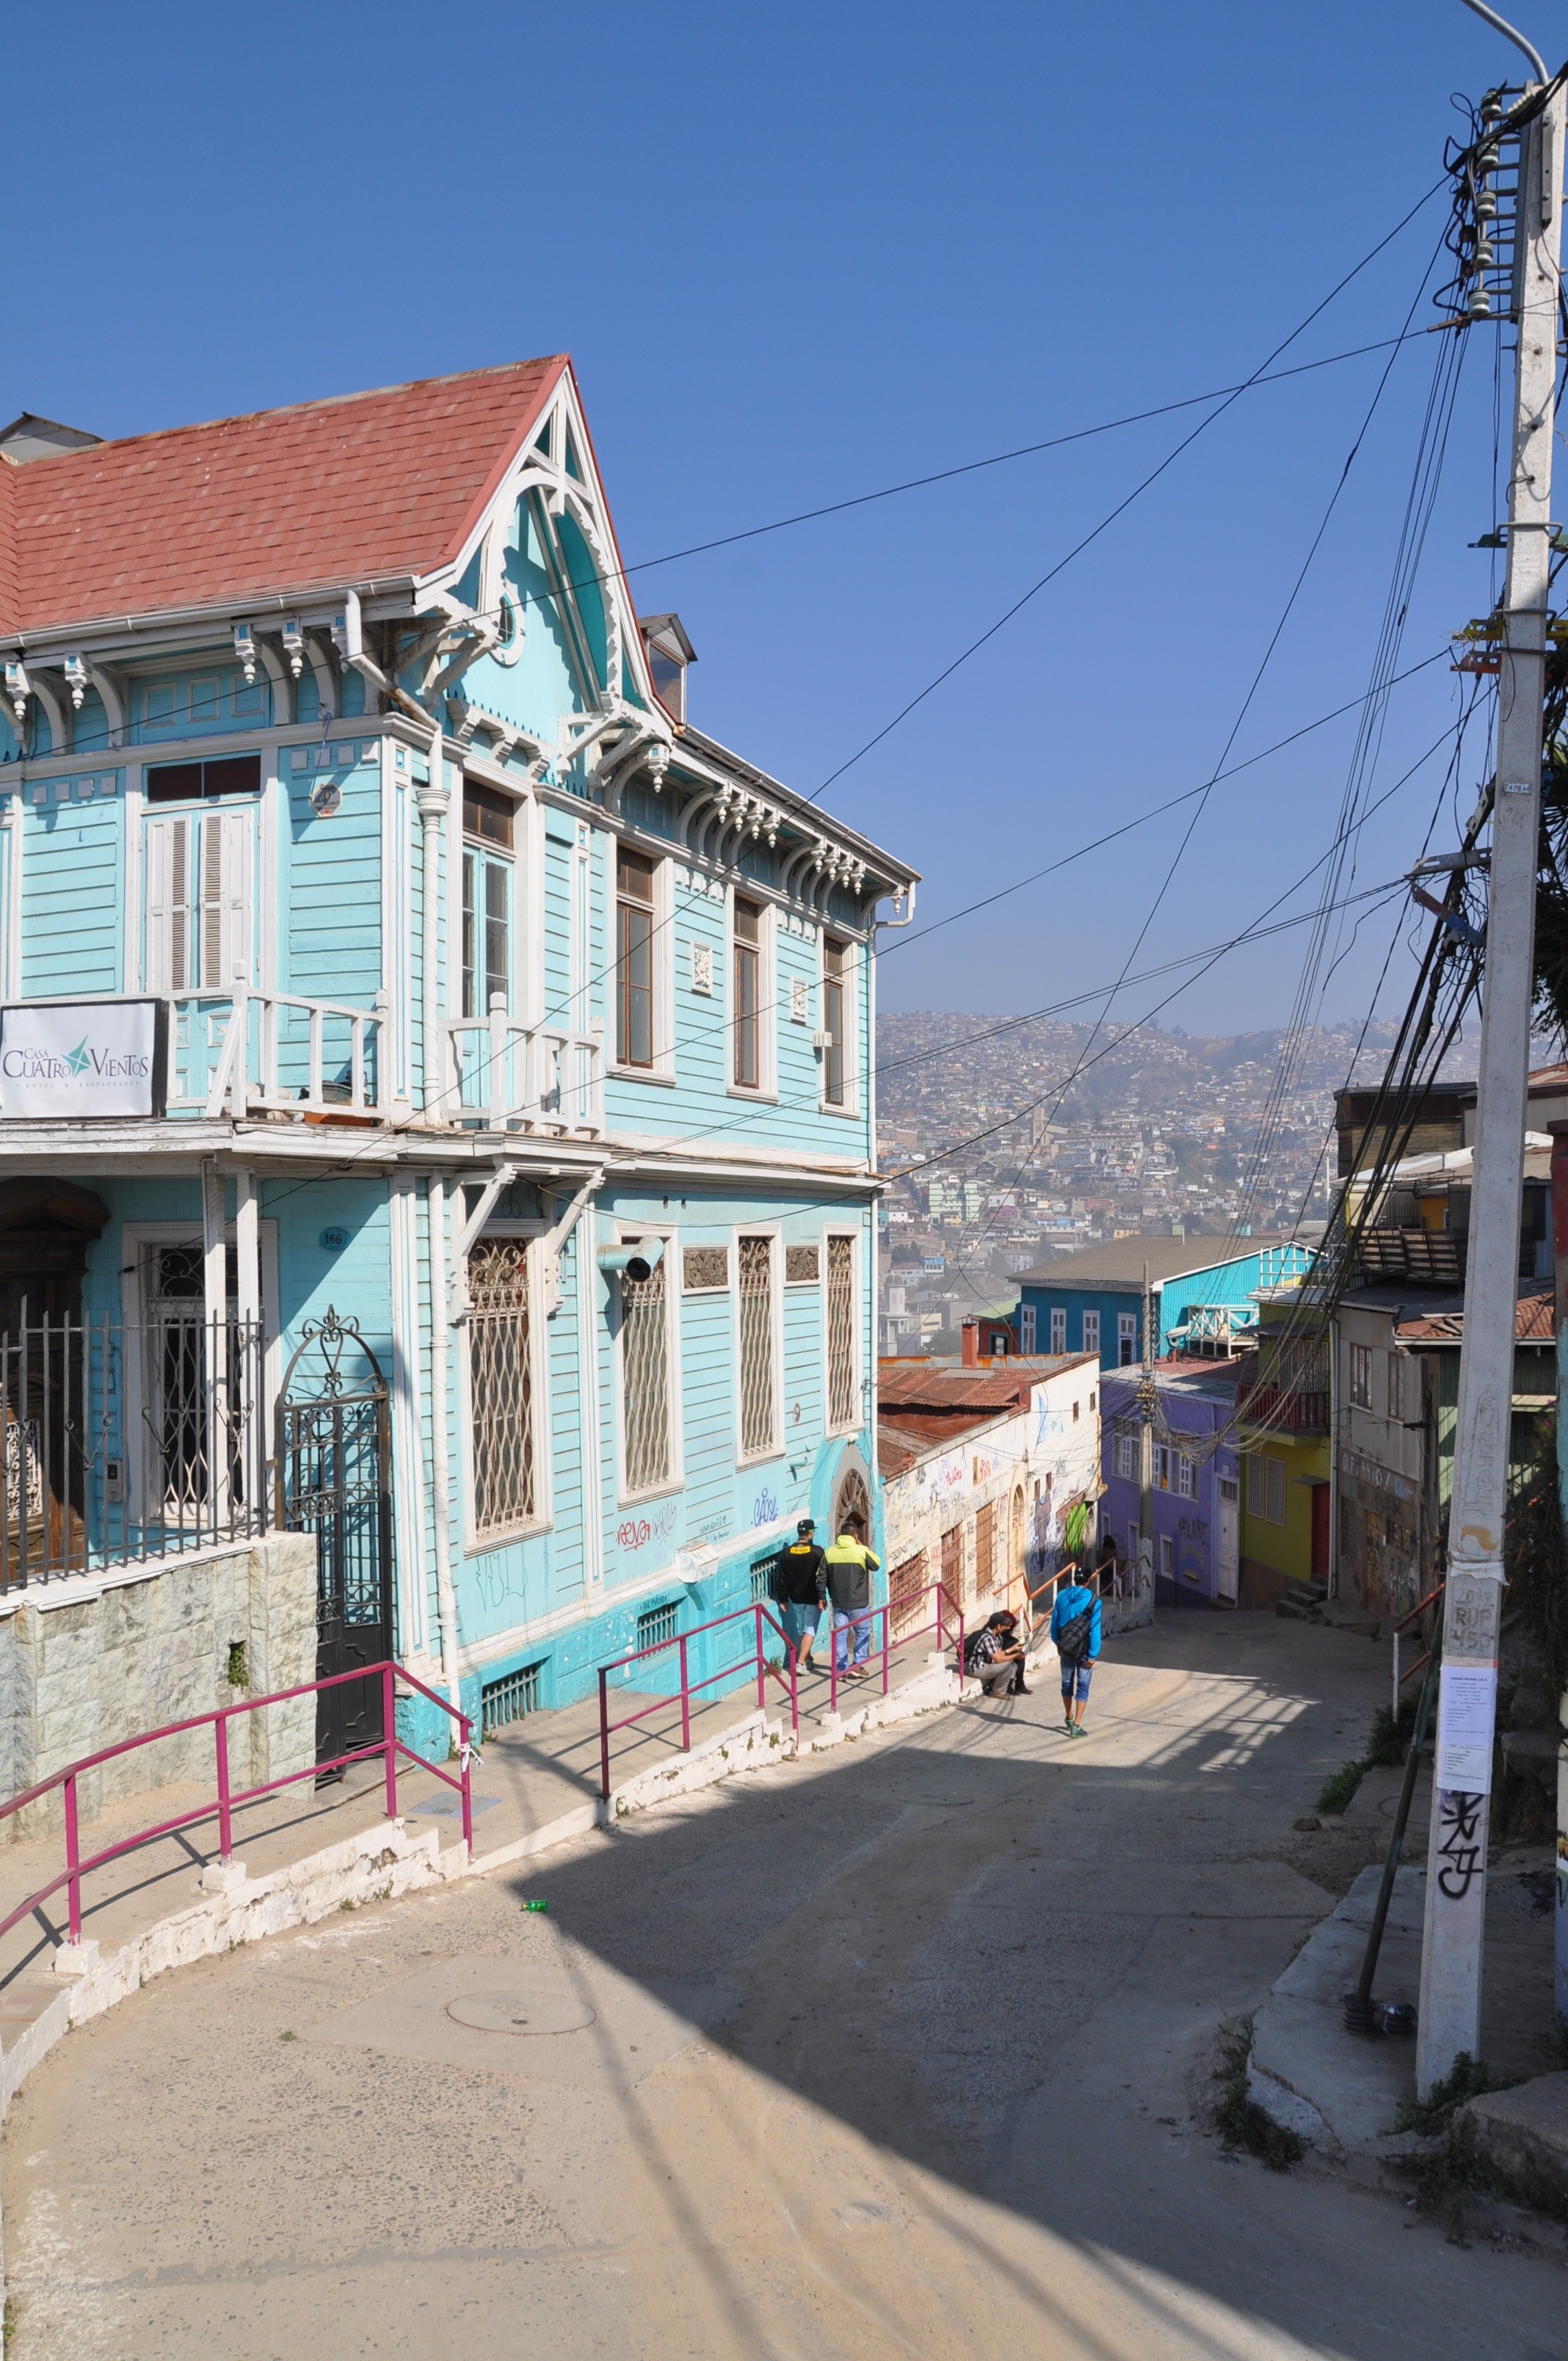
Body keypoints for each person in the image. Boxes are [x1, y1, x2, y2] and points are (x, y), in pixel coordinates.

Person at [824, 1515, 881, 1678]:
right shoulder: (861, 1551)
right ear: (855, 1536)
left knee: (840, 1635)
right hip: (859, 1603)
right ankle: (857, 1664)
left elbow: (821, 1576)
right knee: (863, 1631)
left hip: (838, 1603)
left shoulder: (829, 1553)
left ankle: (841, 1670)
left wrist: (823, 1596)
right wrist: (863, 1548)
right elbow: (876, 1565)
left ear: (840, 1536)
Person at [1050, 1564, 1102, 1736]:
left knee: (1066, 1683)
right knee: (1083, 1686)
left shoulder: (1061, 1596)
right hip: (1085, 1650)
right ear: (1089, 1580)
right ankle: (1077, 1727)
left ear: (1075, 1579)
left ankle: (1069, 1716)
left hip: (1065, 1648)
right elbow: (1095, 1630)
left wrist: (1059, 1643)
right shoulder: (1095, 1601)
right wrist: (1093, 1654)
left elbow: (1054, 1624)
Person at [777, 1517, 827, 1671]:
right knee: (810, 1629)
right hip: (812, 1598)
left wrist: (783, 1599)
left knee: (802, 1629)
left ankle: (807, 1659)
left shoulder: (787, 1553)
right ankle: (799, 1663)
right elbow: (821, 1577)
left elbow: (782, 1578)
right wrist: (822, 1597)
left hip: (795, 1599)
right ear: (811, 1533)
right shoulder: (818, 1552)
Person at [965, 1609, 1028, 1701]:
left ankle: (994, 1686)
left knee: (1011, 1665)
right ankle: (998, 1692)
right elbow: (999, 1659)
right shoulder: (987, 1638)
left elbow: (1000, 1654)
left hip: (984, 1665)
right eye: (1004, 1625)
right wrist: (1015, 1656)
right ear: (998, 1626)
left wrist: (1014, 1649)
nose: (1006, 1628)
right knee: (1008, 1666)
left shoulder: (995, 1636)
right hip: (976, 1669)